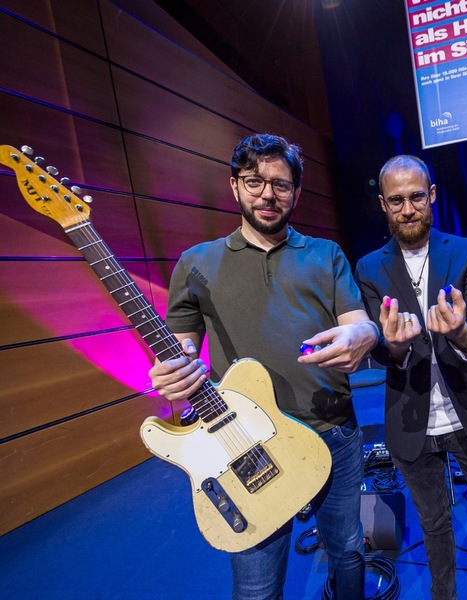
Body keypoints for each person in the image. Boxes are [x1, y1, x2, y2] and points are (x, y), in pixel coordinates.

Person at [147, 133, 378, 600]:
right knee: (256, 587)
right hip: (245, 446)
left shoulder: (326, 254)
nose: (268, 195)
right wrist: (173, 373)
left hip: (333, 431)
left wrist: (364, 334)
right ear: (233, 186)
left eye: (281, 184)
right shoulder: (195, 263)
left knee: (349, 550)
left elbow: (358, 324)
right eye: (254, 182)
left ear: (298, 191)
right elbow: (180, 350)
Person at [354, 155, 467, 600]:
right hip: (411, 422)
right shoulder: (368, 268)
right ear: (382, 205)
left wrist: (460, 333)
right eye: (396, 201)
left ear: (432, 195)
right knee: (435, 532)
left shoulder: (466, 251)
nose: (408, 209)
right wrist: (393, 346)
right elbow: (379, 345)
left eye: (417, 197)